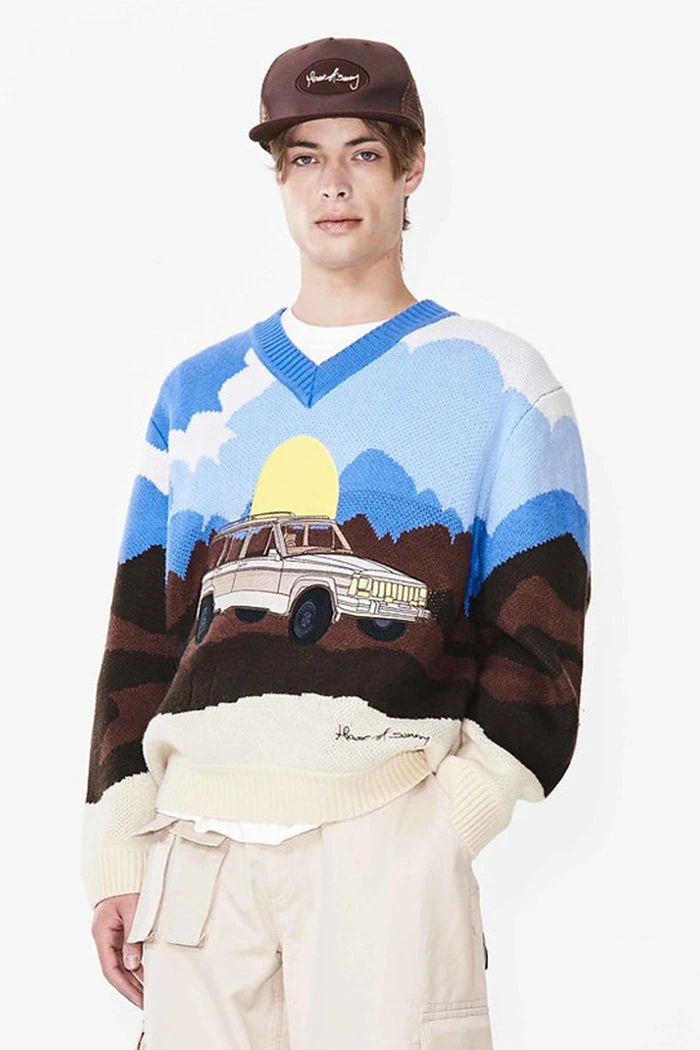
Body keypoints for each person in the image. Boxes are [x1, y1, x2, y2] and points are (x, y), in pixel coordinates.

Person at [82, 36, 592, 1050]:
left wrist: (444, 824)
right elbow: (143, 634)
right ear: (279, 177)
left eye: (363, 153)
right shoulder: (196, 393)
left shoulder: (501, 384)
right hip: (198, 865)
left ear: (411, 169)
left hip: (385, 850)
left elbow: (544, 637)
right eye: (306, 157)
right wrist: (119, 849)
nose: (334, 184)